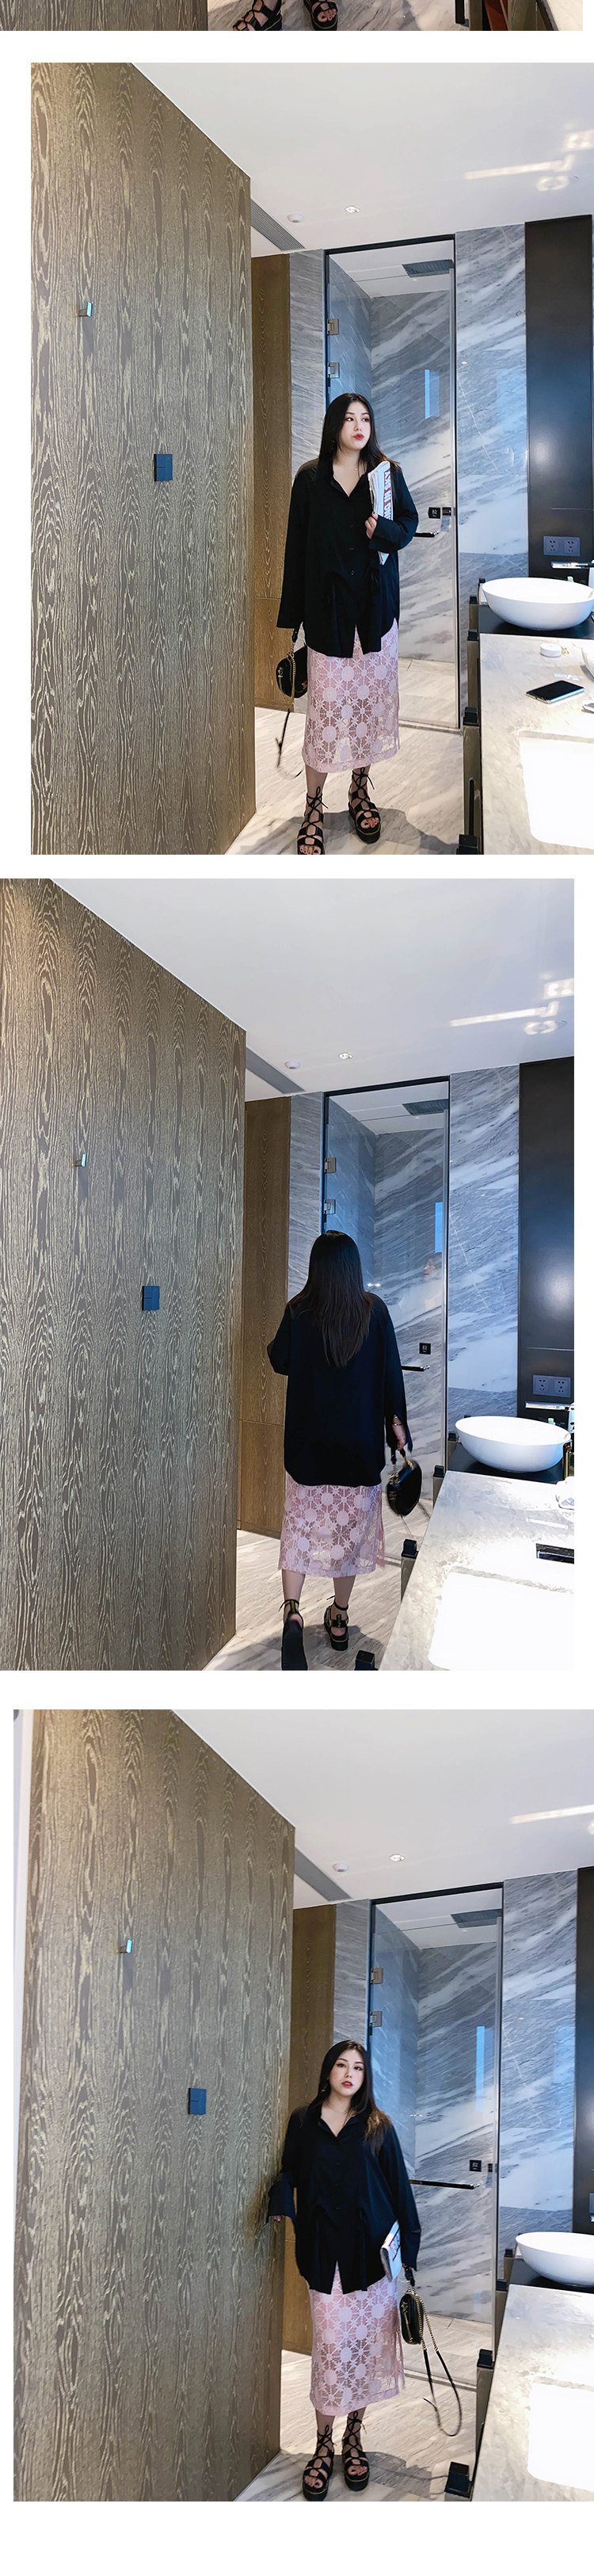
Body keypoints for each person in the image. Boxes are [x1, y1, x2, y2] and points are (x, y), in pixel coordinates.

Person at [268, 2039, 421, 2499]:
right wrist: (279, 2201)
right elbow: (290, 2170)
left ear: (364, 2077)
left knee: (364, 2350)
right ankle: (323, 2443)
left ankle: (354, 2437)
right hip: (323, 2254)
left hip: (371, 2258)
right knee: (331, 2350)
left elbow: (399, 2190)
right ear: (328, 2071)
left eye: (358, 2067)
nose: (350, 2073)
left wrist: (408, 2255)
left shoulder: (378, 2126)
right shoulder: (304, 2120)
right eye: (341, 2064)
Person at [276, 391, 418, 855]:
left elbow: (408, 524)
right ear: (335, 425)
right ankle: (313, 807)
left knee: (368, 708)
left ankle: (359, 791)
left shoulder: (386, 474)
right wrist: (293, 619)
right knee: (326, 712)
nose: (359, 426)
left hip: (375, 613)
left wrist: (384, 531)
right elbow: (296, 549)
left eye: (366, 419)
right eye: (350, 418)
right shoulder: (311, 479)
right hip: (329, 614)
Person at [267, 1229, 409, 1670]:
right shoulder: (375, 1311)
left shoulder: (299, 1310)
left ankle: (293, 1613)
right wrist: (397, 1425)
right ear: (353, 1268)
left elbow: (279, 1359)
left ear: (316, 1269)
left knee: (299, 1531)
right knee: (347, 1538)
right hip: (357, 1451)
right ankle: (340, 1619)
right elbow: (391, 1374)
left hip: (308, 1451)